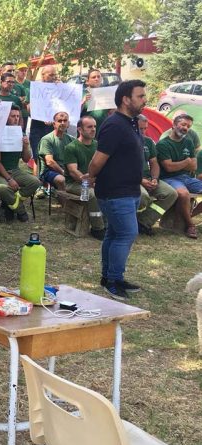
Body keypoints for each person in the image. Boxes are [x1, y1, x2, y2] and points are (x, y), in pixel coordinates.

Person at [88, 80, 147, 300]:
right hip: (115, 191)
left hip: (129, 190)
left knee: (114, 233)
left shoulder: (131, 122)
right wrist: (91, 177)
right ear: (125, 99)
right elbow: (97, 161)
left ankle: (110, 277)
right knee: (127, 233)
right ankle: (113, 280)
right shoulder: (114, 124)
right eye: (140, 96)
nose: (145, 100)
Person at [156, 113, 202, 238]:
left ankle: (187, 215)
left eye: (188, 126)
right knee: (183, 194)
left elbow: (194, 167)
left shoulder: (188, 142)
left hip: (187, 178)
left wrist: (180, 164)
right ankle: (190, 226)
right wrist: (186, 162)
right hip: (168, 179)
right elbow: (169, 168)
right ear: (174, 125)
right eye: (183, 124)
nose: (185, 128)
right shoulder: (163, 144)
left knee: (185, 192)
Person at [0, 106, 40, 222]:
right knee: (4, 188)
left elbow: (26, 159)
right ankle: (20, 210)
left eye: (18, 116)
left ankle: (12, 202)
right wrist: (9, 179)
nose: (16, 119)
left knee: (35, 182)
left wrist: (26, 146)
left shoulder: (20, 133)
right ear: (6, 118)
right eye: (13, 116)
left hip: (15, 170)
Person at [63, 115, 105, 240]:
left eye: (94, 126)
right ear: (80, 130)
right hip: (74, 184)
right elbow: (73, 171)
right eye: (89, 127)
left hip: (94, 182)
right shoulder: (71, 147)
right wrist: (88, 182)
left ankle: (109, 224)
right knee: (91, 194)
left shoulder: (98, 145)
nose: (93, 129)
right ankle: (98, 229)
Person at [136, 114, 178, 235]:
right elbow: (123, 168)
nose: (143, 131)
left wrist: (154, 178)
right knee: (142, 196)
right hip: (131, 180)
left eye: (145, 128)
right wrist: (140, 180)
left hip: (148, 178)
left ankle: (144, 222)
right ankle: (128, 223)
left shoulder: (148, 142)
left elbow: (154, 163)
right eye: (140, 128)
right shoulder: (125, 141)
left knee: (171, 193)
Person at [29, 64, 58, 163]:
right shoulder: (35, 88)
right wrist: (42, 116)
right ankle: (38, 178)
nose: (53, 77)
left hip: (54, 129)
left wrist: (62, 87)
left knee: (54, 157)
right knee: (38, 157)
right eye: (50, 75)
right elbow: (29, 109)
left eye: (55, 75)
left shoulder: (60, 88)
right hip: (38, 128)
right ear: (42, 75)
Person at [38, 111, 72, 190]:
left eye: (65, 121)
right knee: (62, 180)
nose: (62, 123)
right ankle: (64, 202)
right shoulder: (47, 139)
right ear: (54, 124)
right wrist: (64, 173)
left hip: (67, 170)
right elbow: (50, 162)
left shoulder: (71, 139)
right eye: (59, 121)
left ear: (68, 124)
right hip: (49, 171)